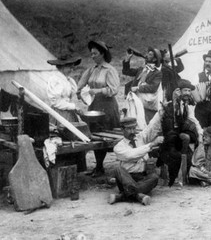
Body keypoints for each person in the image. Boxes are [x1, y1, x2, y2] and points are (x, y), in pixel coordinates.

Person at [77, 40, 120, 177]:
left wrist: (98, 91)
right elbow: (82, 84)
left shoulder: (110, 70)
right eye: (91, 54)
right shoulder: (92, 70)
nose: (92, 56)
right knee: (95, 134)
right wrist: (79, 92)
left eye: (95, 53)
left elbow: (114, 89)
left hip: (107, 106)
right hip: (94, 106)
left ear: (102, 53)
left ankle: (107, 167)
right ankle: (99, 167)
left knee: (105, 135)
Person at [108, 117, 164, 205]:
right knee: (118, 169)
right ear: (122, 130)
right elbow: (131, 155)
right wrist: (151, 145)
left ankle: (123, 196)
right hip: (126, 179)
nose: (132, 131)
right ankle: (138, 195)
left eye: (134, 128)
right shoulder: (118, 147)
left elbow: (152, 126)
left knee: (154, 177)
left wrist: (161, 112)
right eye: (129, 129)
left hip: (141, 178)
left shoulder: (141, 138)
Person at [158, 79, 203, 186]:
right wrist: (174, 101)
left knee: (190, 156)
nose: (187, 93)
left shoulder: (187, 106)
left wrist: (200, 133)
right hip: (167, 137)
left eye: (189, 91)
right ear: (179, 91)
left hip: (179, 138)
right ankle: (174, 177)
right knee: (174, 153)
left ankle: (188, 177)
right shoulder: (169, 105)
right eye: (185, 91)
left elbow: (194, 120)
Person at [122, 47, 163, 123]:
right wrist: (127, 59)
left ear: (154, 59)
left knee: (145, 123)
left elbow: (153, 87)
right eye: (147, 54)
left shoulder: (157, 73)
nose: (147, 56)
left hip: (147, 103)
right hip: (136, 100)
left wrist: (138, 88)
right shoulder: (142, 69)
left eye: (150, 55)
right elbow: (126, 71)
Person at [46, 55, 82, 124]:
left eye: (73, 68)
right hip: (59, 113)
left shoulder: (69, 80)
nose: (72, 70)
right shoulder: (55, 80)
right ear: (62, 67)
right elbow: (56, 102)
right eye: (70, 68)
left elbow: (71, 97)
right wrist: (73, 106)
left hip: (69, 112)